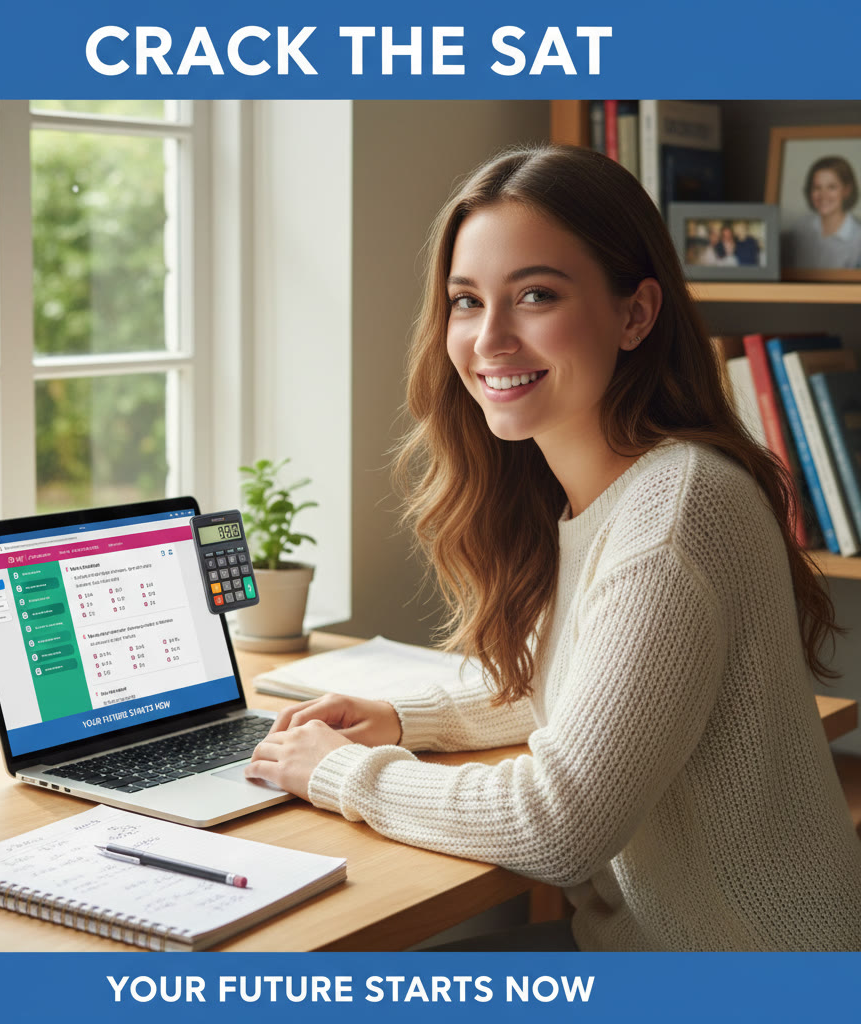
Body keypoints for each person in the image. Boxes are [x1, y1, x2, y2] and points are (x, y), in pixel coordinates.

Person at [245, 144, 861, 951]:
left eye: (535, 294)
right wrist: (398, 720)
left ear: (635, 313)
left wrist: (334, 771)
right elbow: (576, 694)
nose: (490, 338)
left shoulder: (676, 512)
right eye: (467, 301)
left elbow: (555, 824)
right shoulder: (603, 491)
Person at [787, 155, 861, 269]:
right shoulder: (799, 229)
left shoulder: (858, 238)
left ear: (846, 190)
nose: (823, 195)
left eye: (831, 187)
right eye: (817, 187)